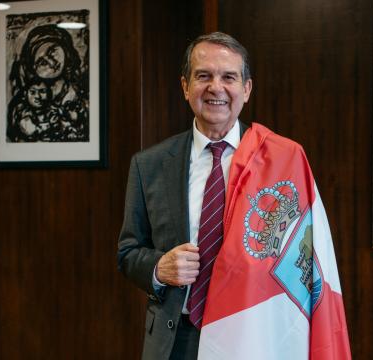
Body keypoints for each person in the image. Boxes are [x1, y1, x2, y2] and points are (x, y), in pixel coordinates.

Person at [118, 32, 350, 360]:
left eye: (228, 77)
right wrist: (158, 267)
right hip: (177, 340)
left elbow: (308, 259)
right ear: (185, 87)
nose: (216, 87)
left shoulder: (284, 160)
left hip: (253, 336)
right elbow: (127, 252)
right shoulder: (149, 165)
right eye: (203, 76)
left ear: (246, 89)